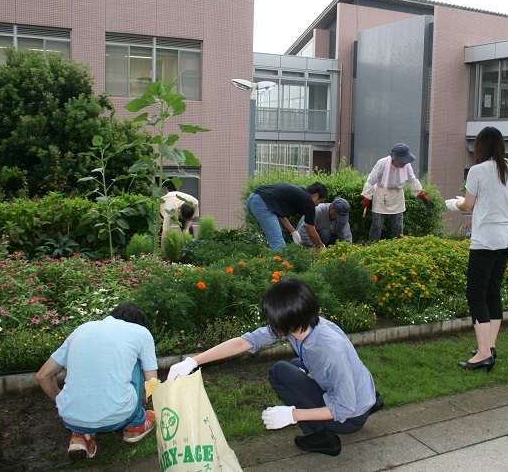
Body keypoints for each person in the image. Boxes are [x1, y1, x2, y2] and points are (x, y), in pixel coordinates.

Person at [167, 278, 383, 457]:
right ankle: (369, 401)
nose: (270, 323)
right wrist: (193, 361)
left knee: (280, 372)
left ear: (288, 320)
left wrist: (293, 415)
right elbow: (244, 342)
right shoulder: (306, 324)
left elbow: (344, 409)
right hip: (360, 392)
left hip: (350, 416)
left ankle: (323, 438)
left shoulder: (328, 352)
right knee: (294, 366)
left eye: (272, 318)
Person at [35, 303, 158, 460]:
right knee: (137, 363)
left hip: (71, 418)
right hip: (120, 415)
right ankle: (137, 422)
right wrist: (142, 402)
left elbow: (42, 376)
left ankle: (81, 436)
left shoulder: (81, 330)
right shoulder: (141, 333)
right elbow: (152, 381)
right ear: (139, 323)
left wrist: (62, 402)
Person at [444, 127, 508, 371]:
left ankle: (484, 353)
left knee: (476, 296)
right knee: (493, 294)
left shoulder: (477, 170)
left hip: (486, 241)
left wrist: (453, 203)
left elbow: (468, 205)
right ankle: (490, 347)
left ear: (481, 147)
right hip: (507, 239)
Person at [361, 143, 434, 242]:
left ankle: (398, 247)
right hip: (381, 194)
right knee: (377, 226)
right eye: (403, 160)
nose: (405, 163)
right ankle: (372, 246)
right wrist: (366, 197)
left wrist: (422, 195)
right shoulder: (382, 163)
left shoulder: (407, 166)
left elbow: (412, 180)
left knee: (398, 227)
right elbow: (370, 181)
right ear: (396, 158)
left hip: (397, 196)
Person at [247, 182, 328, 250]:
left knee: (276, 240)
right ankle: (281, 267)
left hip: (252, 199)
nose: (318, 205)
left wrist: (293, 231)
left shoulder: (301, 194)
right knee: (278, 245)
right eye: (320, 201)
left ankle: (272, 263)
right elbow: (312, 233)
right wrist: (322, 247)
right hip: (262, 203)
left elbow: (280, 214)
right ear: (316, 195)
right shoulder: (308, 202)